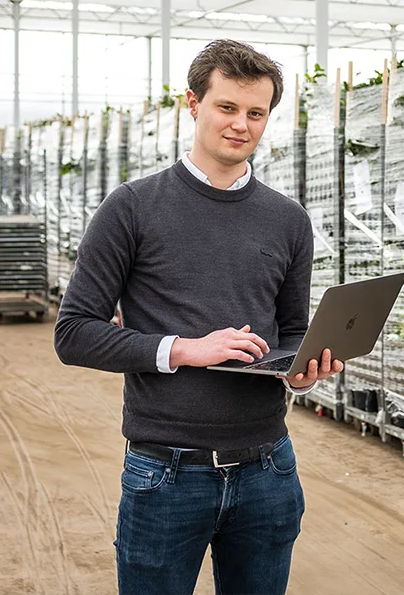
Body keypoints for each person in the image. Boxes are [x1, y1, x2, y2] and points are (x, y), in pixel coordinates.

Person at [54, 39, 342, 595]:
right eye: (227, 107)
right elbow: (74, 333)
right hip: (166, 473)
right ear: (193, 104)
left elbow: (291, 327)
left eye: (256, 113)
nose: (241, 124)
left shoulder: (287, 220)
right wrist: (184, 348)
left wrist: (303, 366)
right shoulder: (133, 207)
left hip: (268, 467)